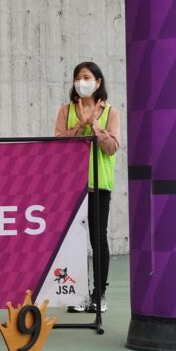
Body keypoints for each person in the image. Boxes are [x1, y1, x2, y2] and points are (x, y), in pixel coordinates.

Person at [54, 61, 120, 314]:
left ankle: (99, 294)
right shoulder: (66, 110)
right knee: (74, 241)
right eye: (78, 77)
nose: (81, 82)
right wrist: (80, 125)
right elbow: (57, 144)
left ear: (98, 82)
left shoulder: (110, 112)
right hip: (71, 185)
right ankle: (79, 294)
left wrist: (94, 126)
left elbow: (112, 148)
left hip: (98, 184)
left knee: (97, 239)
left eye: (86, 77)